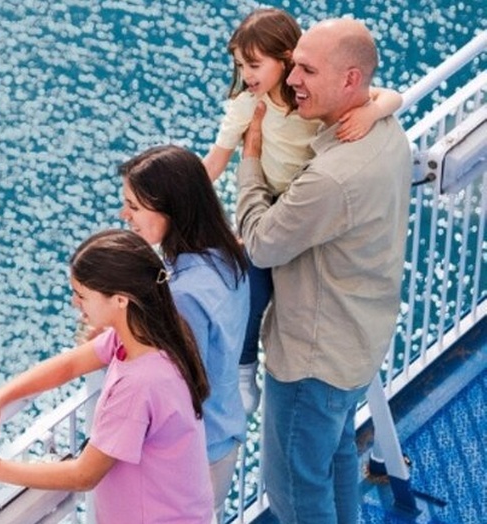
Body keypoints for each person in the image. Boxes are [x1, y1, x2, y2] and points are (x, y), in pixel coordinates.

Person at [235, 17, 411, 524]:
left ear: (350, 81)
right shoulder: (383, 128)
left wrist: (251, 160)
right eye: (293, 67)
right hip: (358, 341)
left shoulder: (332, 177)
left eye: (307, 70)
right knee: (335, 459)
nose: (292, 80)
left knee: (294, 490)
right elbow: (386, 95)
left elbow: (262, 243)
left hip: (312, 362)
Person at [202, 8, 403, 415]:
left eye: (255, 64)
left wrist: (371, 111)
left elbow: (386, 95)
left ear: (286, 59)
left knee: (261, 261)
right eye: (241, 66)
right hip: (281, 201)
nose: (247, 75)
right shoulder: (250, 105)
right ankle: (244, 366)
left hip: (306, 200)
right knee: (251, 281)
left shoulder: (310, 102)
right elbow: (216, 159)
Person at [0, 229, 216, 524]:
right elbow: (69, 366)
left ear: (120, 300)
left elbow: (84, 474)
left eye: (82, 295)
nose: (75, 303)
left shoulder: (139, 386)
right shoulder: (150, 335)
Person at [118, 144, 250, 523]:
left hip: (195, 455)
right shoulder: (227, 256)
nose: (125, 215)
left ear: (170, 209)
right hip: (223, 436)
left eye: (135, 207)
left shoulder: (183, 296)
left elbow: (182, 387)